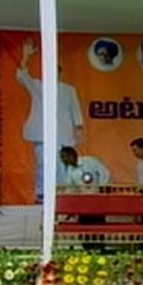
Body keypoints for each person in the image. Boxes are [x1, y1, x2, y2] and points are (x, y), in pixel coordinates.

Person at [17, 39, 84, 204]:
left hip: (63, 133)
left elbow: (75, 109)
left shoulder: (69, 89)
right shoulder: (38, 86)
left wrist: (78, 128)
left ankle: (63, 193)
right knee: (43, 163)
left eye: (56, 72)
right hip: (41, 133)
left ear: (60, 74)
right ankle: (41, 194)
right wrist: (26, 57)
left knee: (63, 164)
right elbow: (22, 76)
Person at [60, 146, 110, 250]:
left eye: (64, 157)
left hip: (97, 199)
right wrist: (70, 205)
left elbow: (105, 173)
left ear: (71, 155)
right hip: (83, 203)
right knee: (84, 225)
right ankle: (87, 248)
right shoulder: (70, 170)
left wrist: (101, 187)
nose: (63, 160)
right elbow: (70, 189)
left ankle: (99, 248)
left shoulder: (89, 161)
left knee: (98, 224)